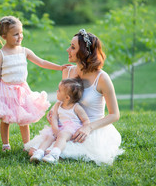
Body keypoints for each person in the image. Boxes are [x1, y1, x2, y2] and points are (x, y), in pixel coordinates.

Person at [25, 29, 124, 165]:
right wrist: (54, 113)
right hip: (66, 126)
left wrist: (88, 127)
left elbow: (114, 115)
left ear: (83, 52)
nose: (67, 50)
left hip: (90, 130)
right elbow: (64, 100)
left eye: (72, 47)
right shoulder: (67, 71)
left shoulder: (102, 78)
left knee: (59, 153)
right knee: (34, 150)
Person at [0, 16, 69, 152]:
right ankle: (5, 144)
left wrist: (59, 67)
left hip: (22, 90)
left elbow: (42, 62)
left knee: (24, 119)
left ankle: (27, 144)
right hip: (6, 91)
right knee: (6, 119)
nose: (20, 36)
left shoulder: (24, 51)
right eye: (16, 34)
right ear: (4, 36)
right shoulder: (1, 55)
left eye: (21, 33)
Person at [30, 78, 90, 164]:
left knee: (62, 135)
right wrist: (55, 129)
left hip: (71, 129)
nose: (56, 91)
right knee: (49, 136)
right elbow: (54, 117)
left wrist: (84, 129)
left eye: (59, 90)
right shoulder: (58, 104)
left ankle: (54, 154)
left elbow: (86, 120)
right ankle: (39, 152)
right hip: (60, 127)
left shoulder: (77, 107)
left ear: (67, 97)